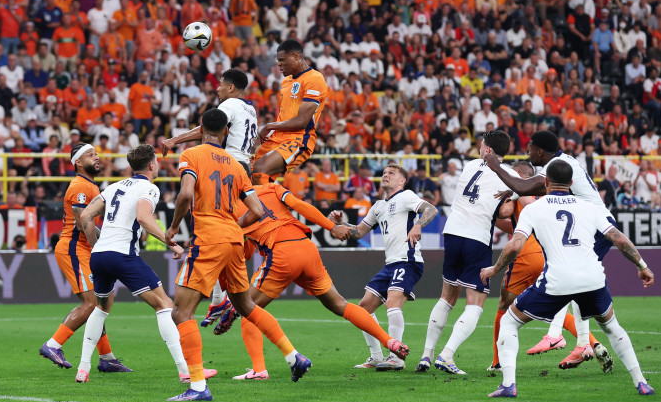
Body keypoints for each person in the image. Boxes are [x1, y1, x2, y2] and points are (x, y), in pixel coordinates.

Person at [164, 109, 311, 401]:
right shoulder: (235, 164)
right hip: (234, 240)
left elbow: (184, 195)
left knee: (181, 312)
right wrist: (234, 226)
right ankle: (293, 356)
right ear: (227, 131)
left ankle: (197, 386)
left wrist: (172, 228)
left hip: (208, 237)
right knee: (246, 306)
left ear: (202, 127)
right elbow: (257, 211)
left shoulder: (192, 155)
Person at [480, 160, 655, 397]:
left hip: (557, 280)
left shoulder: (533, 209)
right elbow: (620, 240)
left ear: (545, 182)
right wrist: (642, 265)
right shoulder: (589, 207)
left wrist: (494, 269)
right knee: (612, 327)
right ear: (571, 183)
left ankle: (509, 385)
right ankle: (641, 382)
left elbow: (514, 246)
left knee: (510, 322)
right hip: (592, 278)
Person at [220, 174, 409, 380]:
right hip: (307, 248)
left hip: (281, 253)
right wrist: (332, 227)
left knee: (249, 310)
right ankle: (389, 341)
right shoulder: (271, 188)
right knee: (341, 305)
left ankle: (259, 369)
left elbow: (241, 252)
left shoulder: (229, 207)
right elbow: (301, 206)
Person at [74, 145, 216, 384]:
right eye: (157, 163)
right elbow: (143, 216)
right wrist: (170, 242)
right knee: (164, 304)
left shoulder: (114, 186)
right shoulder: (148, 188)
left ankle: (83, 368)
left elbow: (85, 216)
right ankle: (185, 370)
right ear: (151, 165)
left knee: (101, 308)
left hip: (99, 255)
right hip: (122, 254)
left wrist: (99, 242)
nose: (158, 166)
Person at [481, 129, 619, 367]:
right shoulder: (561, 163)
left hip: (595, 228)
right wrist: (513, 190)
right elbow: (531, 189)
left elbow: (525, 189)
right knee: (575, 282)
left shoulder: (556, 164)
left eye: (530, 148)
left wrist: (496, 167)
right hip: (592, 225)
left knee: (572, 280)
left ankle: (559, 337)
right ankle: (582, 343)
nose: (527, 151)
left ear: (540, 151)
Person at [159, 67, 258, 327]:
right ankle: (218, 298)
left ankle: (220, 297)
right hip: (243, 167)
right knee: (224, 233)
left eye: (221, 85)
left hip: (227, 166)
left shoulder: (231, 106)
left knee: (208, 227)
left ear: (232, 88)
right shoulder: (250, 109)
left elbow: (209, 127)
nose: (217, 89)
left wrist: (174, 140)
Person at [416, 130, 517, 375]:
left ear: (488, 150)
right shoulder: (510, 175)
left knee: (446, 297)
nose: (479, 149)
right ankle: (447, 355)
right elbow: (505, 213)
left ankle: (426, 355)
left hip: (452, 233)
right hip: (477, 238)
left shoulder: (470, 165)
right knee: (476, 303)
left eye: (481, 145)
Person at [333, 164, 438, 371]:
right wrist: (341, 223)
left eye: (392, 173)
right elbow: (358, 232)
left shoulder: (406, 196)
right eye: (384, 173)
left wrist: (418, 225)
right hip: (390, 263)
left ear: (402, 181)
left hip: (408, 260)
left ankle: (396, 357)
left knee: (393, 302)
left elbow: (431, 209)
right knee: (364, 307)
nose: (386, 176)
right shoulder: (378, 206)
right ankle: (375, 357)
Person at [39, 143, 130, 373]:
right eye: (90, 154)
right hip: (74, 248)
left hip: (82, 249)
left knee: (101, 302)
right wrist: (101, 248)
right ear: (78, 162)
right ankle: (53, 344)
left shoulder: (89, 185)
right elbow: (82, 223)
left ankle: (106, 357)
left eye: (97, 153)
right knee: (91, 303)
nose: (97, 157)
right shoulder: (80, 186)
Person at [252, 39, 328, 185]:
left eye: (282, 60)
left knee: (260, 169)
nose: (278, 64)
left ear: (296, 56)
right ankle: (271, 206)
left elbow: (301, 121)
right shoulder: (286, 81)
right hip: (277, 137)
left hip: (299, 138)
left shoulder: (315, 79)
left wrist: (269, 126)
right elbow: (285, 115)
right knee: (250, 177)